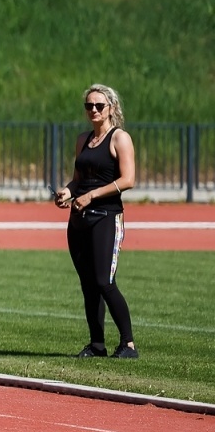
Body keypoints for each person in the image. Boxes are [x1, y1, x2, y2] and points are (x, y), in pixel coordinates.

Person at [54, 84, 138, 359]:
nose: (93, 110)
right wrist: (68, 191)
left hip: (106, 217)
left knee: (104, 281)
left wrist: (91, 195)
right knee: (88, 284)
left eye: (99, 106)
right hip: (79, 219)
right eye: (89, 105)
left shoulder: (119, 139)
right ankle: (97, 344)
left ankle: (128, 344)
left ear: (111, 108)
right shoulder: (83, 139)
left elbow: (128, 180)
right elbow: (77, 180)